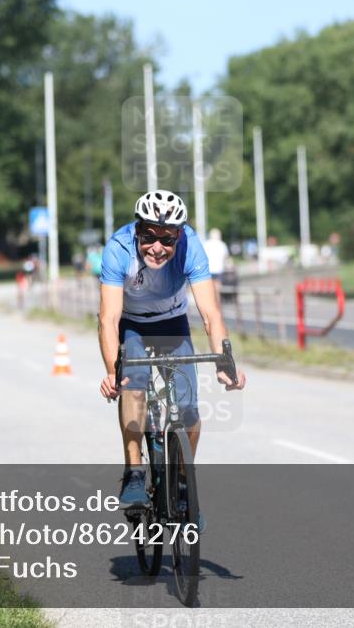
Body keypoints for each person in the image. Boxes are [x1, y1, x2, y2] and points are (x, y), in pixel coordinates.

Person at [97, 190, 246, 508]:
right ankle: (135, 472)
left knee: (189, 407)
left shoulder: (191, 248)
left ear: (179, 236)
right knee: (132, 387)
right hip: (133, 324)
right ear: (137, 230)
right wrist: (112, 371)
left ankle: (181, 482)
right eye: (149, 236)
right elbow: (108, 318)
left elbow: (211, 314)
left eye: (167, 240)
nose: (157, 247)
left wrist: (225, 363)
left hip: (173, 323)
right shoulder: (118, 249)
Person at [203, 228, 230, 306]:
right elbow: (226, 257)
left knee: (210, 287)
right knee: (218, 287)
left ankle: (211, 303)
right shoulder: (222, 244)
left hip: (209, 269)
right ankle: (217, 303)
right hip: (219, 269)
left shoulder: (206, 244)